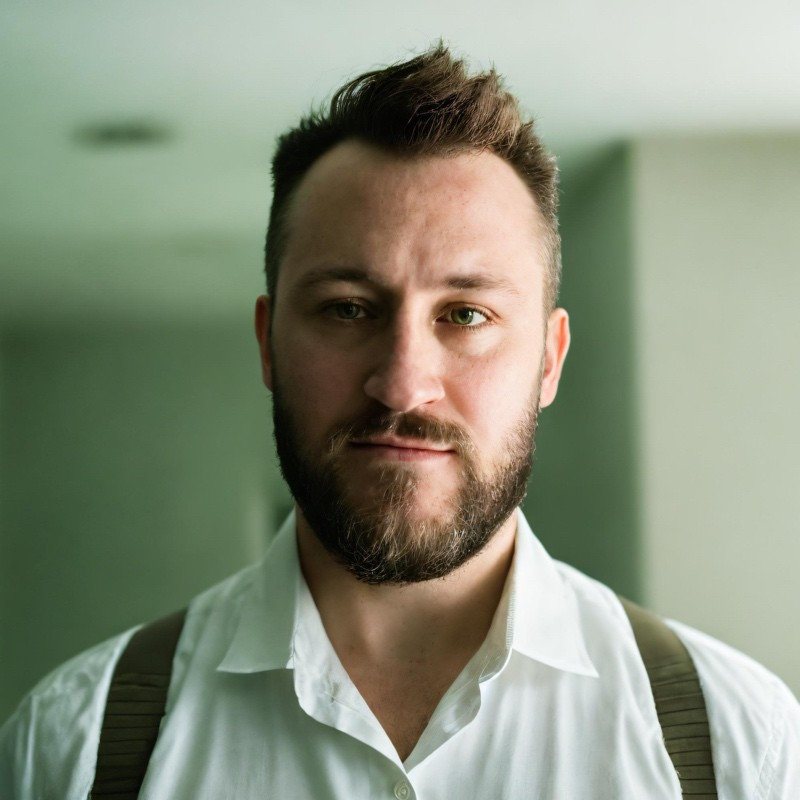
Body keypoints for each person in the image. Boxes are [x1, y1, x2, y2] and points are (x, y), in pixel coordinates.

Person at [2, 44, 798, 799]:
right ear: (269, 343)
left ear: (549, 361)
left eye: (466, 313)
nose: (402, 385)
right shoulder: (73, 746)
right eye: (348, 308)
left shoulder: (742, 747)